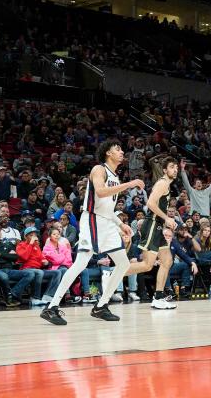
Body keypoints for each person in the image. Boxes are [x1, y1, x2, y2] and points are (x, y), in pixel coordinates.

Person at [40, 139, 142, 326]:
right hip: (92, 220)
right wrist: (130, 184)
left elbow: (108, 208)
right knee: (81, 263)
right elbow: (101, 192)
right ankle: (52, 307)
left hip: (106, 222)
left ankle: (101, 306)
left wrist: (120, 224)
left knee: (123, 263)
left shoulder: (115, 177)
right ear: (108, 153)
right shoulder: (99, 169)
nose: (121, 152)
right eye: (117, 149)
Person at [123, 157, 179, 310]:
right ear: (165, 170)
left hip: (158, 226)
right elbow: (150, 204)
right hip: (153, 224)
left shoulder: (166, 183)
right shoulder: (162, 183)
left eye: (176, 167)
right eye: (172, 167)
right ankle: (116, 274)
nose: (175, 169)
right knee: (147, 265)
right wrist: (167, 217)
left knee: (167, 261)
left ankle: (159, 297)